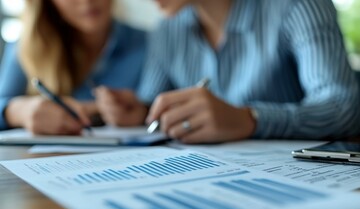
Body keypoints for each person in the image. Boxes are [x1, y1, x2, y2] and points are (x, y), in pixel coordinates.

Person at [96, 0, 360, 144]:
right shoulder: (167, 30)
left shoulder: (297, 6)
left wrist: (250, 120)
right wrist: (141, 111)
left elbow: (342, 108)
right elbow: (151, 101)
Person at [0, 0, 146, 135]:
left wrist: (144, 111)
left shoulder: (151, 44)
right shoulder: (26, 48)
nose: (86, 1)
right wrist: (19, 111)